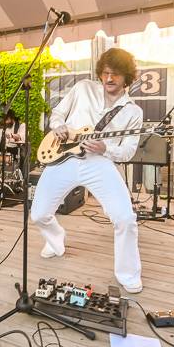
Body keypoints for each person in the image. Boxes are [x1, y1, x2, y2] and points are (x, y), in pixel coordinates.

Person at [30, 48, 145, 293]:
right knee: (38, 214)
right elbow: (58, 114)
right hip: (64, 157)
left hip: (99, 162)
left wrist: (106, 148)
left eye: (115, 74)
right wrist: (59, 126)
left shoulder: (133, 112)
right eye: (105, 73)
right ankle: (56, 239)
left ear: (127, 77)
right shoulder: (83, 88)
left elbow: (128, 152)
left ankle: (128, 273)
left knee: (125, 218)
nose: (109, 79)